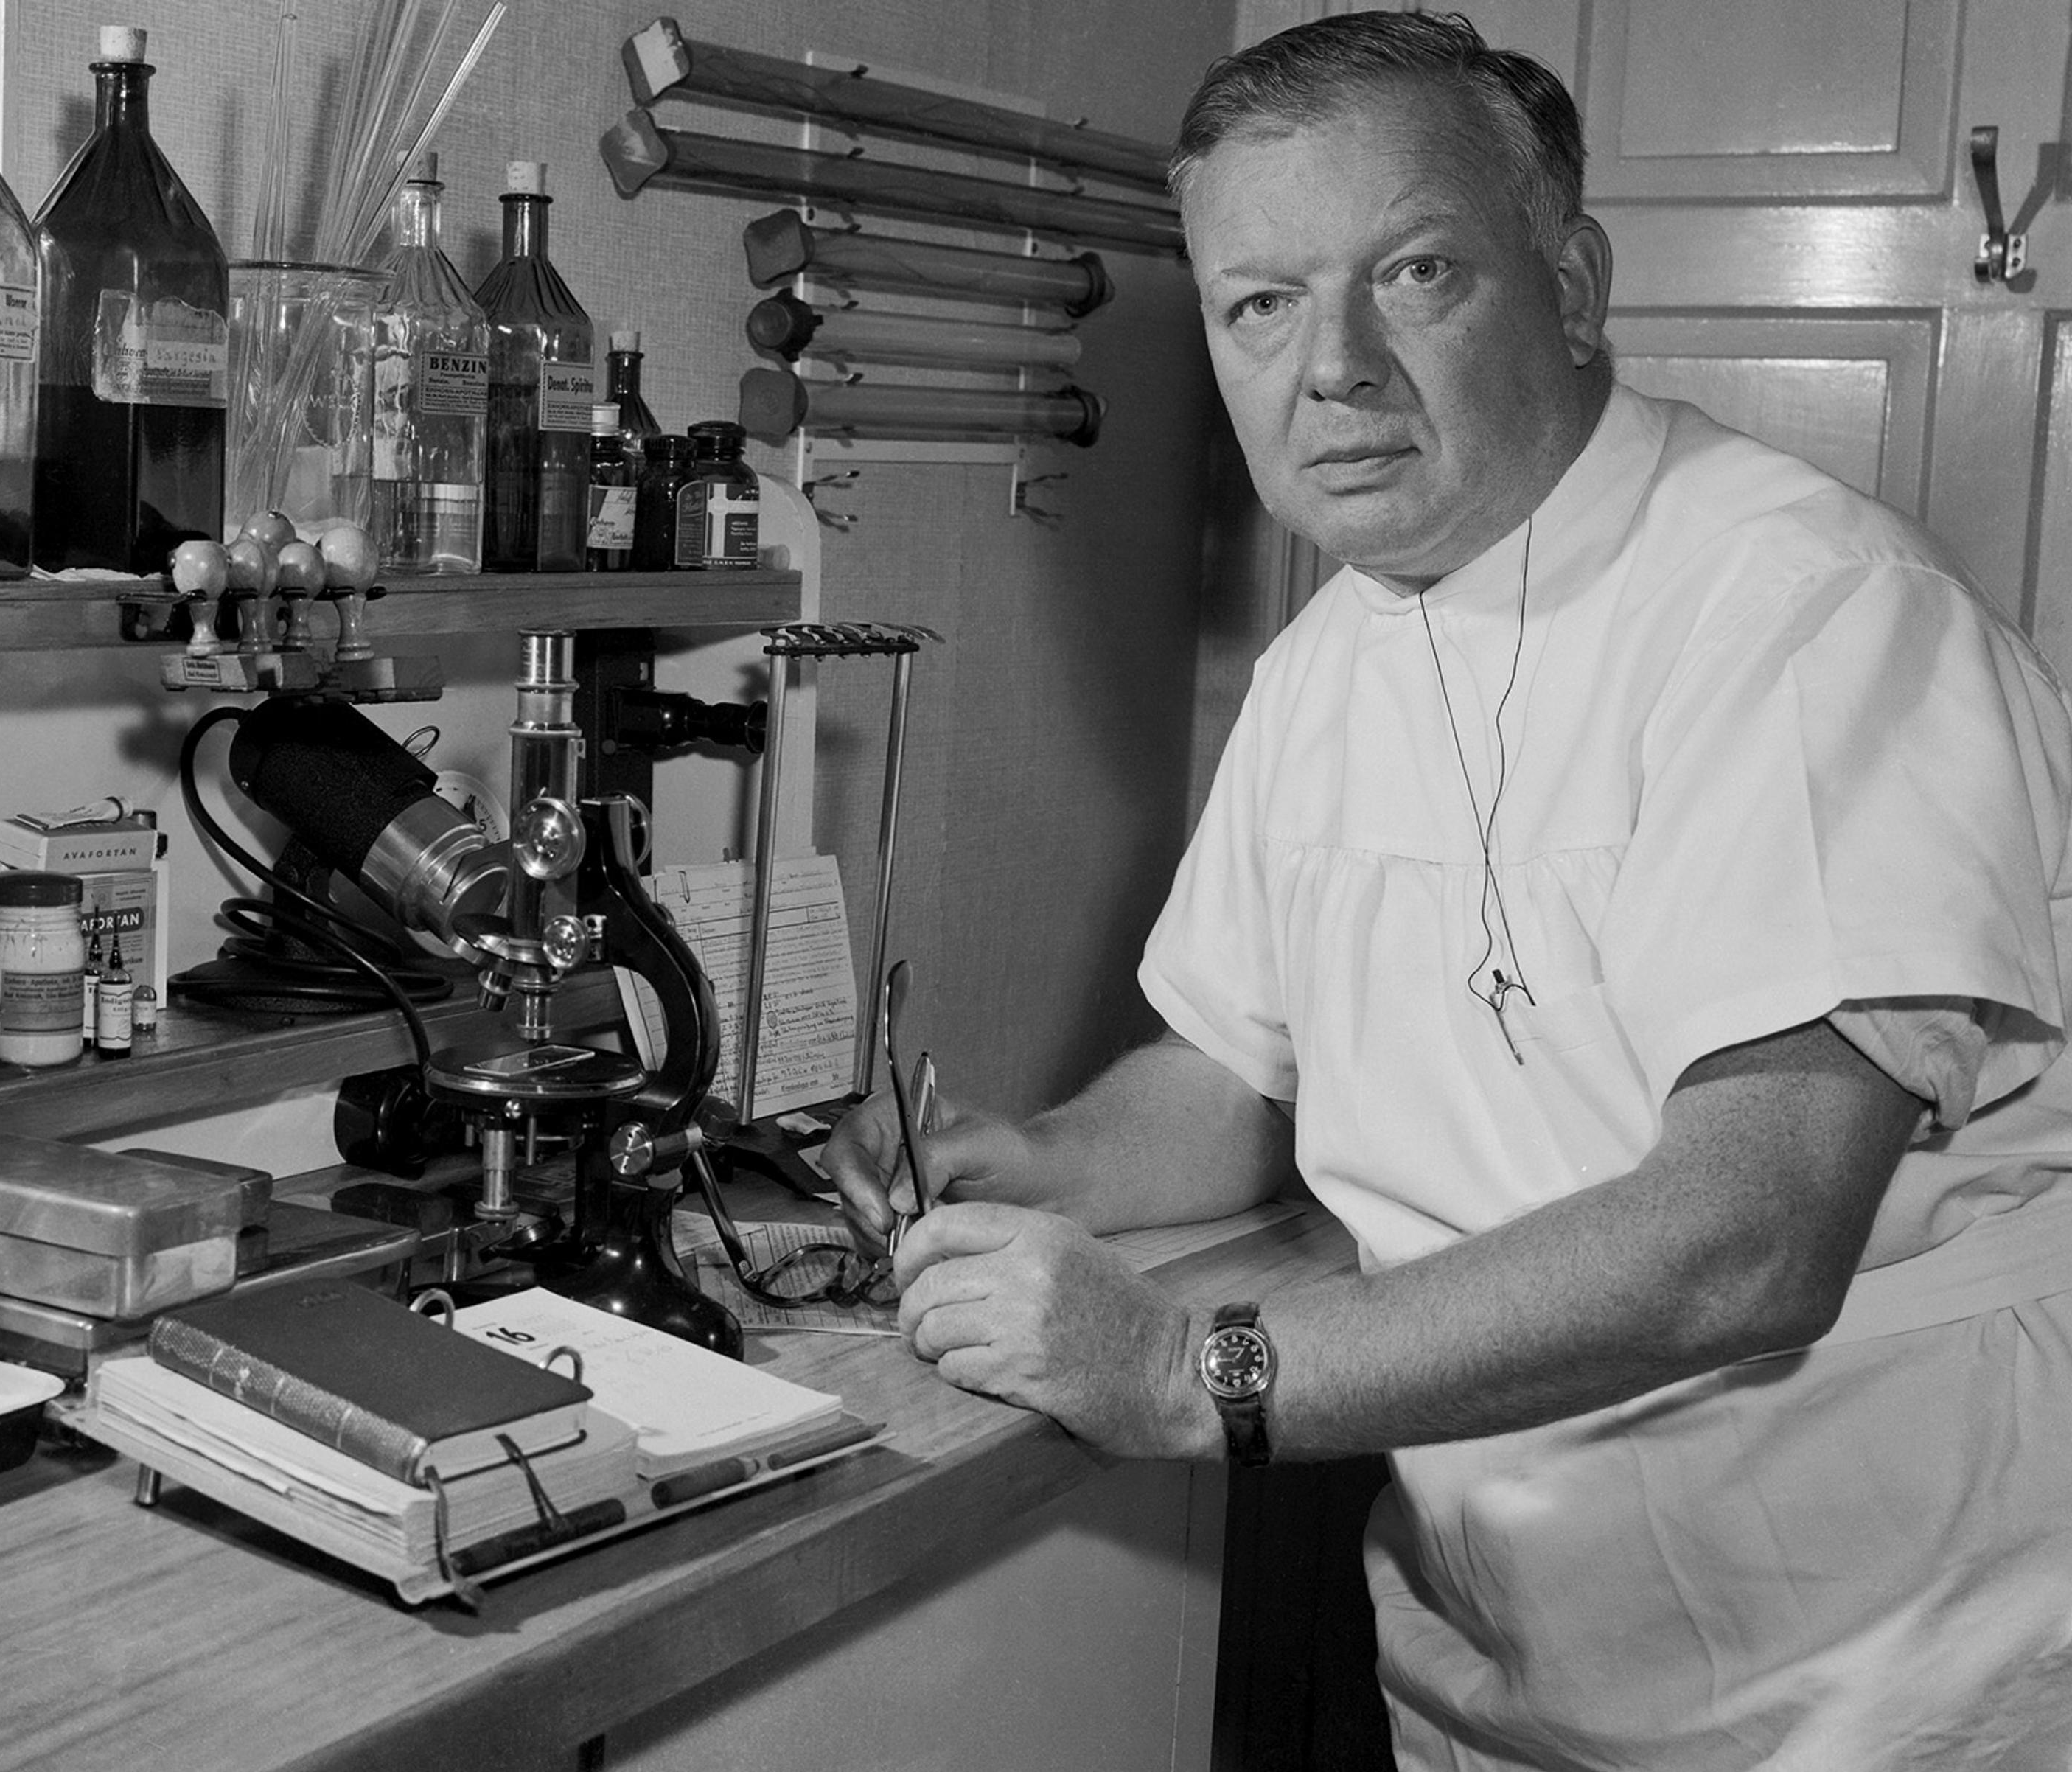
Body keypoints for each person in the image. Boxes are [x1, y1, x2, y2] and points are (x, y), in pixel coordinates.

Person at [823, 11, 2072, 1766]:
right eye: (1260, 305)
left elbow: (1752, 1238)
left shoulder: (1806, 614)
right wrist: (1032, 1156)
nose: (1330, 367)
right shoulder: (1338, 651)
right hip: (1518, 1662)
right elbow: (1241, 1074)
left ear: (1570, 286)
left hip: (1903, 1663)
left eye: (1412, 272)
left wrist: (1197, 1373)